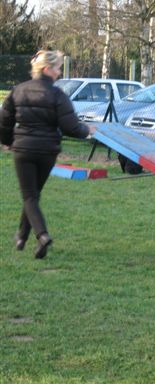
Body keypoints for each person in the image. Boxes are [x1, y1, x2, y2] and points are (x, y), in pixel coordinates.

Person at [0, 50, 96, 259]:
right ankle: (22, 236)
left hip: (23, 150)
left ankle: (41, 235)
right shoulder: (58, 95)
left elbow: (4, 120)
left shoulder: (18, 90)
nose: (59, 73)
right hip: (47, 151)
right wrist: (86, 131)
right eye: (57, 68)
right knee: (33, 194)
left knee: (29, 195)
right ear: (46, 69)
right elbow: (70, 126)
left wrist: (7, 142)